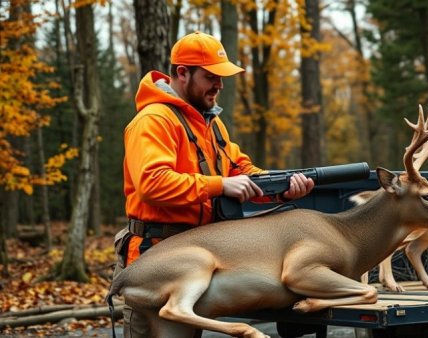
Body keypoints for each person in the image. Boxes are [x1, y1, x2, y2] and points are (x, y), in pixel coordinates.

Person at [114, 31, 315, 338]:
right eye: (211, 77)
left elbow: (241, 170)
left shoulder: (211, 122)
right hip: (155, 264)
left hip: (192, 260)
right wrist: (220, 185)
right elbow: (152, 184)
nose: (219, 86)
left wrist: (283, 188)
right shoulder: (154, 120)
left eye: (221, 78)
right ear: (183, 73)